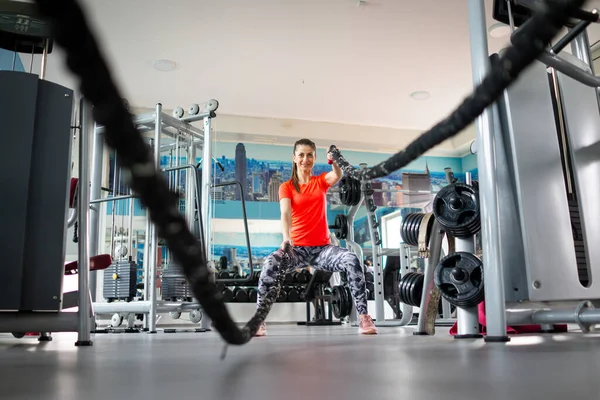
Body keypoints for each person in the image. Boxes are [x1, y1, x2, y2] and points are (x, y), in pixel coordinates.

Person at [255, 138, 378, 336]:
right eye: (301, 155)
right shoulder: (286, 187)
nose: (305, 159)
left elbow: (337, 175)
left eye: (309, 155)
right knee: (270, 263)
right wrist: (286, 238)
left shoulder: (319, 182)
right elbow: (285, 214)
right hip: (296, 250)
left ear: (314, 157)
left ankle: (364, 318)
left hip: (322, 250)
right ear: (294, 158)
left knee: (351, 259)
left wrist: (334, 160)